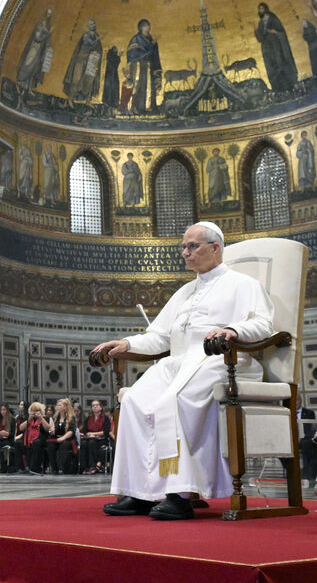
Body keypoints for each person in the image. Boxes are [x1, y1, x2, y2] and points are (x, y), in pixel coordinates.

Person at [91, 221, 274, 520]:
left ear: (215, 248)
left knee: (175, 399)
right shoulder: (184, 292)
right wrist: (126, 343)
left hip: (222, 361)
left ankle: (180, 494)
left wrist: (231, 330)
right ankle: (139, 492)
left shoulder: (243, 284)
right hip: (179, 363)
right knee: (134, 400)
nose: (185, 253)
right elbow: (159, 337)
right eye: (184, 247)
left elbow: (263, 325)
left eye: (192, 246)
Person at [254, 2, 298, 91]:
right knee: (272, 67)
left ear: (265, 9)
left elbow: (280, 30)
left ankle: (288, 86)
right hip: (267, 49)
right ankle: (277, 88)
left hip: (276, 46)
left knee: (280, 64)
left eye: (262, 9)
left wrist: (275, 31)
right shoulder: (261, 23)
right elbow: (260, 39)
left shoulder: (272, 18)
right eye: (259, 10)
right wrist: (256, 31)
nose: (260, 11)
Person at [126, 19, 163, 111]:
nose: (148, 27)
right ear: (141, 27)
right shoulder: (136, 39)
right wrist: (151, 46)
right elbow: (132, 53)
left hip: (150, 67)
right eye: (146, 25)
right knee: (139, 86)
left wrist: (156, 69)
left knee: (150, 87)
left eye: (149, 25)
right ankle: (137, 107)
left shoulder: (151, 39)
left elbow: (155, 55)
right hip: (140, 67)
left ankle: (150, 106)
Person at [80, 399, 113, 474]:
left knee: (92, 443)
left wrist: (94, 434)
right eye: (93, 405)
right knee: (83, 443)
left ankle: (93, 466)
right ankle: (84, 467)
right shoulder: (88, 418)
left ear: (101, 407)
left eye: (97, 405)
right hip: (90, 438)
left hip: (102, 439)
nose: (95, 407)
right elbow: (85, 430)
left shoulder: (105, 418)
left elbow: (105, 432)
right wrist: (88, 434)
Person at [50, 398, 79, 474]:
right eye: (57, 405)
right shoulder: (55, 417)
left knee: (64, 445)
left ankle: (64, 467)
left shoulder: (71, 418)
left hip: (68, 439)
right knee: (51, 446)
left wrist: (63, 438)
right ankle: (54, 468)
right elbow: (53, 429)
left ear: (65, 407)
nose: (57, 407)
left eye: (59, 405)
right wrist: (51, 431)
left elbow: (71, 431)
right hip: (57, 438)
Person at [20, 401, 49, 474]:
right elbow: (21, 428)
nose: (35, 412)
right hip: (28, 437)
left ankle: (34, 468)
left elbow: (47, 428)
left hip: (40, 438)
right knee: (18, 443)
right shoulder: (28, 418)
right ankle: (20, 467)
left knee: (36, 443)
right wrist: (29, 419)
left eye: (37, 410)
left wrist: (41, 418)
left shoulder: (45, 418)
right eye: (33, 410)